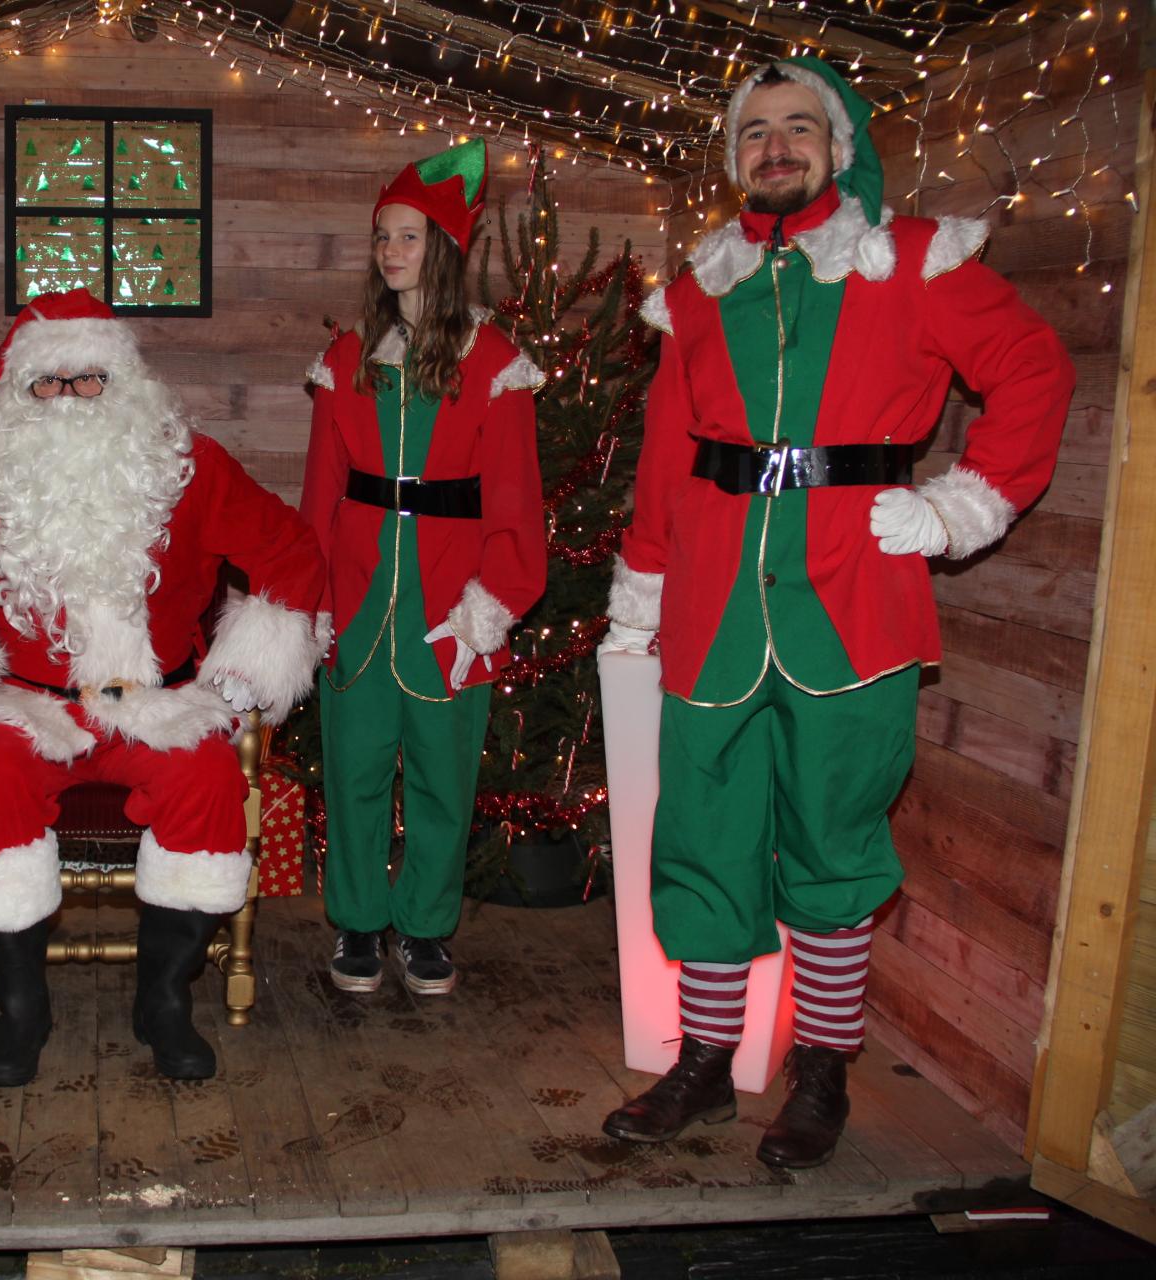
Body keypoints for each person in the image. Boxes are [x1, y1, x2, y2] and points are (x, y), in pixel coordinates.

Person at [598, 57, 1074, 1168]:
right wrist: (641, 587)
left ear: (838, 146)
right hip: (713, 607)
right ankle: (704, 1065)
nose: (775, 146)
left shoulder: (909, 261)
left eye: (798, 126)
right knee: (703, 837)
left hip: (855, 600)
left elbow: (1034, 368)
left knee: (834, 843)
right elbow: (667, 455)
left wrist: (962, 503)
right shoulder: (702, 287)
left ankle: (821, 1070)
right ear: (736, 156)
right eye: (755, 131)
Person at [0, 288, 325, 1087]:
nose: (70, 397)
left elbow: (290, 550)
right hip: (32, 705)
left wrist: (255, 657)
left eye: (89, 379)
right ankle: (21, 1006)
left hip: (159, 704)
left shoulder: (189, 466)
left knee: (210, 785)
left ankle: (164, 999)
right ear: (17, 391)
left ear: (123, 381)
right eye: (48, 382)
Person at [299, 137, 548, 998]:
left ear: (443, 248)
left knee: (444, 775)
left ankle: (428, 928)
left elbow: (516, 500)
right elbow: (320, 495)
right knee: (355, 771)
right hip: (358, 601)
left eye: (409, 236)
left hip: (451, 608)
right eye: (383, 236)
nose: (391, 251)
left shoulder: (493, 361)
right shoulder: (346, 357)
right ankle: (359, 921)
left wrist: (494, 601)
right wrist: (312, 600)